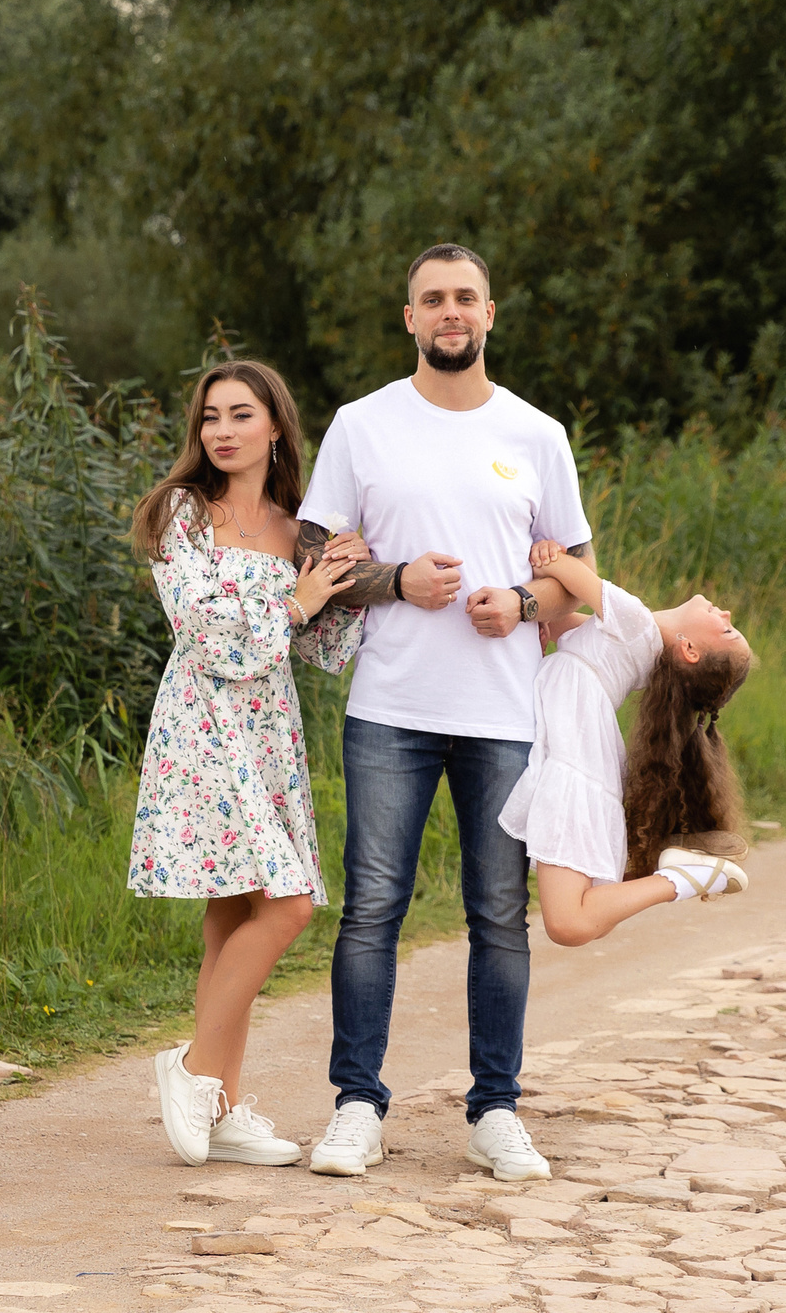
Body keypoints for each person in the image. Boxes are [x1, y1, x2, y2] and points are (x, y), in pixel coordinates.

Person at [293, 243, 593, 1183]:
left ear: (490, 314)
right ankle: (356, 1106)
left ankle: (495, 1109)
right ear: (410, 319)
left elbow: (576, 580)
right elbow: (311, 554)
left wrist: (524, 601)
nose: (450, 311)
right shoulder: (362, 425)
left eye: (466, 297)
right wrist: (396, 580)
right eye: (433, 299)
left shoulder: (538, 433)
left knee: (500, 914)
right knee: (373, 908)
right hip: (391, 708)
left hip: (505, 713)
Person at [130, 359, 369, 1168]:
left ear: (275, 426)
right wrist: (297, 602)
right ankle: (193, 1068)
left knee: (236, 910)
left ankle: (223, 1107)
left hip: (267, 728)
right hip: (204, 722)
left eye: (240, 414)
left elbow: (330, 647)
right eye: (209, 417)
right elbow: (204, 630)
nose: (222, 430)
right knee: (289, 902)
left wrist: (350, 577)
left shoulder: (297, 526)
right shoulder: (182, 514)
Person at [497, 539, 756, 948]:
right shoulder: (637, 642)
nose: (724, 612)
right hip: (581, 741)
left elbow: (569, 572)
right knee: (576, 918)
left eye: (725, 628)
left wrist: (549, 552)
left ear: (688, 649)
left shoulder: (633, 621)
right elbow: (558, 623)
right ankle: (677, 878)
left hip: (576, 748)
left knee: (569, 922)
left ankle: (677, 881)